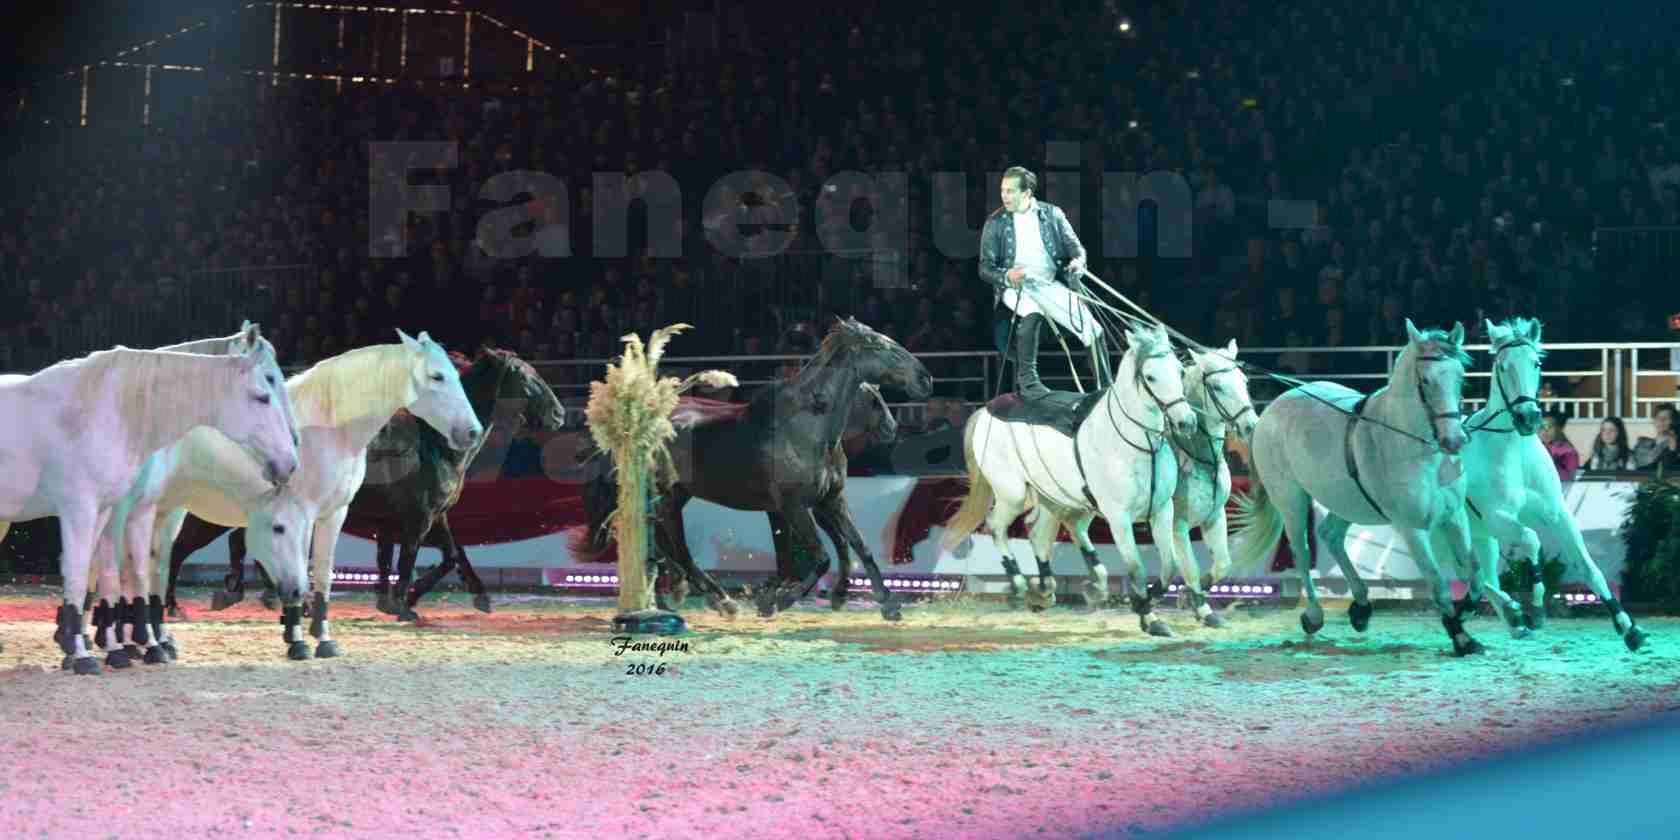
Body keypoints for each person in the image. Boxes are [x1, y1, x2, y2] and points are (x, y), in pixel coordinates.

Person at [978, 166, 1102, 399]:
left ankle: (1105, 384)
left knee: (1093, 329)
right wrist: (1006, 276)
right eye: (1003, 190)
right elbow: (984, 268)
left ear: (1027, 193)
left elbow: (1077, 250)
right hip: (1016, 286)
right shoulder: (995, 222)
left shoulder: (1052, 214)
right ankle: (1029, 383)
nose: (1004, 196)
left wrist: (1078, 262)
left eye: (1010, 191)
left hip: (1048, 284)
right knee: (1033, 314)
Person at [1633, 403, 1679, 471]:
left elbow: (1669, 469)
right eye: (1658, 417)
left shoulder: (1676, 446)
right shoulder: (1643, 444)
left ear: (1673, 421)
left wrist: (1672, 450)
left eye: (1666, 418)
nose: (1661, 421)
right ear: (1654, 421)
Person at [1539, 410, 1581, 484]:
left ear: (1558, 429)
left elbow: (1572, 477)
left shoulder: (1568, 451)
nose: (1546, 431)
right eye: (1542, 427)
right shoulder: (1531, 449)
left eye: (1550, 427)